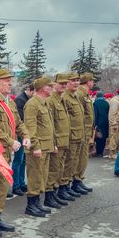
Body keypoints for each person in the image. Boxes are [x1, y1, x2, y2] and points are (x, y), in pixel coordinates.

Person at [0, 69, 30, 237]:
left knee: (3, 187)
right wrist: (11, 141)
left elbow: (18, 122)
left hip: (6, 153)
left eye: (10, 80)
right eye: (6, 80)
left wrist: (25, 135)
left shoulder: (9, 102)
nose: (10, 83)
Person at [23, 76, 55, 216]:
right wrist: (35, 146)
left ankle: (37, 203)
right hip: (37, 148)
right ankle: (31, 206)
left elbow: (48, 126)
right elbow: (30, 128)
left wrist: (52, 144)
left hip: (46, 146)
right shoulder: (32, 104)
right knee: (35, 177)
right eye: (50, 86)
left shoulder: (44, 103)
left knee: (42, 176)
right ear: (43, 88)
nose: (52, 89)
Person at [45, 73, 71, 211]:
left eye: (65, 83)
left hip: (64, 141)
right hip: (56, 142)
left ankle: (54, 193)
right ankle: (49, 196)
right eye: (61, 83)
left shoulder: (62, 100)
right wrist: (53, 143)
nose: (64, 86)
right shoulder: (51, 101)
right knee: (53, 170)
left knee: (59, 168)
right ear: (54, 84)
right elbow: (51, 125)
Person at [61, 72, 85, 199]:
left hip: (78, 136)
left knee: (74, 161)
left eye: (77, 80)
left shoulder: (75, 97)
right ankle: (63, 186)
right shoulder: (65, 97)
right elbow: (65, 120)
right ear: (67, 82)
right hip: (70, 137)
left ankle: (68, 184)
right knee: (68, 162)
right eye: (73, 80)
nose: (76, 83)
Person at [75, 72, 95, 193]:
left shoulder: (85, 94)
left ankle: (79, 180)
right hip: (82, 132)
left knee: (83, 159)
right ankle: (76, 181)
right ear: (88, 82)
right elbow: (79, 116)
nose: (93, 83)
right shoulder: (80, 94)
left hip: (87, 131)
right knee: (79, 158)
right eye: (92, 81)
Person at [12, 84, 34, 195]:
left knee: (23, 160)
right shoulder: (20, 100)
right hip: (20, 135)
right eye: (33, 92)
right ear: (29, 90)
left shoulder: (26, 99)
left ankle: (21, 182)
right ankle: (15, 185)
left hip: (25, 134)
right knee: (18, 160)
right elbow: (20, 120)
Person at [93, 91, 109, 157]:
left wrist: (94, 123)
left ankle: (98, 151)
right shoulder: (106, 103)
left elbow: (95, 114)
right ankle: (101, 152)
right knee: (103, 138)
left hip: (98, 123)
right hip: (105, 122)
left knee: (98, 137)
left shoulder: (95, 103)